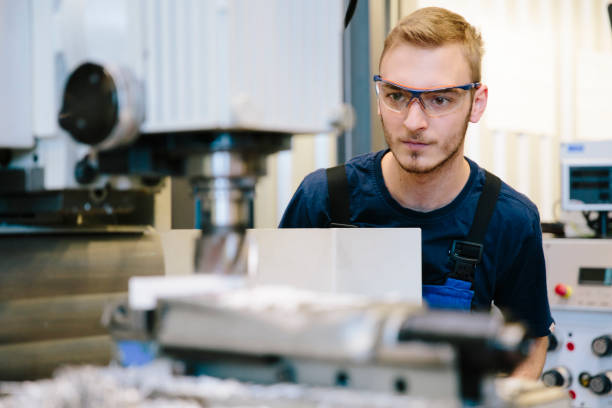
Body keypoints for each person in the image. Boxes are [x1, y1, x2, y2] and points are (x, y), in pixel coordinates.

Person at [279, 7, 553, 379]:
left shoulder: (509, 218)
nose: (413, 122)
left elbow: (531, 342)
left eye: (440, 99)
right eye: (396, 96)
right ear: (378, 96)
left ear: (478, 102)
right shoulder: (324, 199)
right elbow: (274, 327)